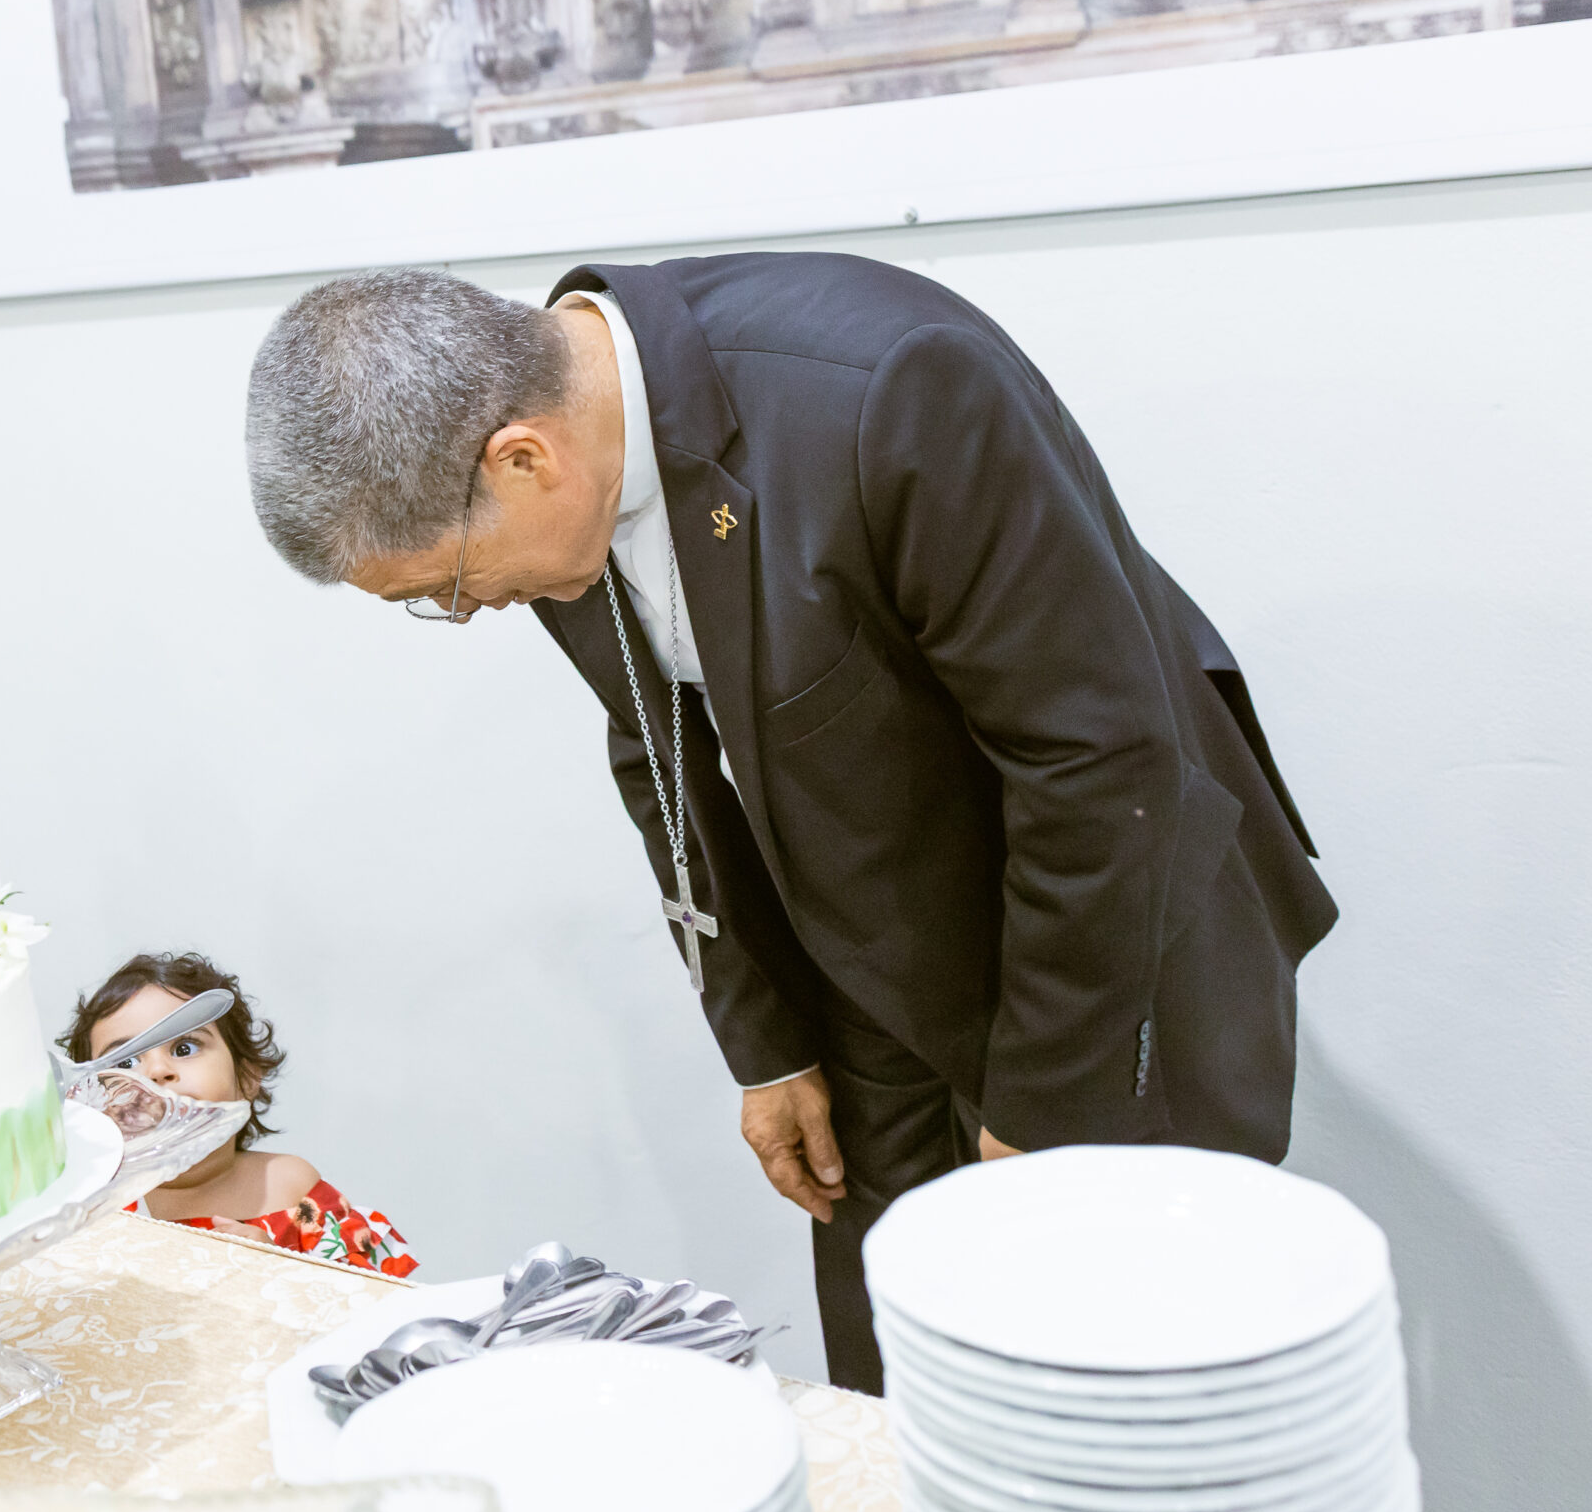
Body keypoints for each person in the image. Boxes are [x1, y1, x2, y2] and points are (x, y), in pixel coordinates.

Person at [240, 255, 1337, 1390]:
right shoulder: (559, 482)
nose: (466, 611)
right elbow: (655, 745)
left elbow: (1096, 765)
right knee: (897, 1381)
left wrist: (1044, 1100)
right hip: (871, 960)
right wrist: (768, 1041)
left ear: (522, 459)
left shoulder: (892, 387)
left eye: (446, 586)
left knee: (1117, 1389)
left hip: (1106, 947)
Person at [64, 952, 419, 1277]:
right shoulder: (90, 1201)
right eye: (126, 1062)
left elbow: (370, 1295)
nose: (157, 1071)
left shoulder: (288, 1186)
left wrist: (279, 1271)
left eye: (184, 1048)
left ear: (246, 1078)